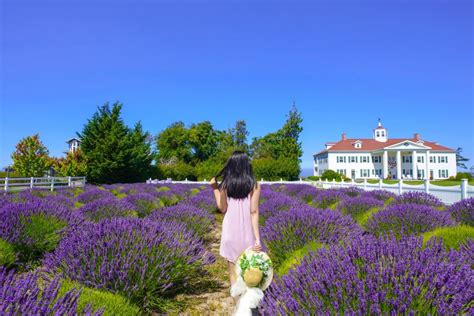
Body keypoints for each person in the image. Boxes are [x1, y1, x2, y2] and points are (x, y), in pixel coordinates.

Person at [210, 151, 262, 291]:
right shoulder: (255, 185)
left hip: (230, 233)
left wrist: (215, 188)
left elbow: (222, 208)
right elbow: (254, 212)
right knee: (249, 273)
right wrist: (257, 239)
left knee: (233, 274)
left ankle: (238, 307)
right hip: (247, 235)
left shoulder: (226, 184)